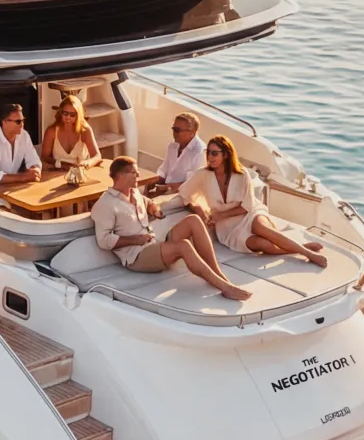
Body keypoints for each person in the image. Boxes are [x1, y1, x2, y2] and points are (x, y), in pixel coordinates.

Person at [91, 157, 251, 300]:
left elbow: (145, 201)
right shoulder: (105, 204)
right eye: (134, 172)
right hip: (136, 257)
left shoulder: (134, 193)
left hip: (153, 244)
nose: (138, 175)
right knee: (184, 246)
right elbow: (104, 241)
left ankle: (219, 274)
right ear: (121, 176)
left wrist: (152, 207)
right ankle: (224, 288)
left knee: (193, 220)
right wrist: (136, 240)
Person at [181, 134, 328, 266]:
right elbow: (185, 194)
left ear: (225, 155)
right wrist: (197, 209)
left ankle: (308, 254)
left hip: (250, 213)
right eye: (208, 153)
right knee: (264, 245)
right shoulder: (203, 174)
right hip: (228, 228)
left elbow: (247, 206)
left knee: (261, 228)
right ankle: (300, 247)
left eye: (214, 153)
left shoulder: (241, 174)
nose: (210, 157)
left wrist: (220, 215)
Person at [0, 103, 42, 208]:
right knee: (8, 213)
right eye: (18, 122)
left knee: (37, 202)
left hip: (10, 188)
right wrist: (24, 177)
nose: (22, 125)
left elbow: (34, 160)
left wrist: (35, 170)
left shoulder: (24, 136)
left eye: (23, 120)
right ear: (4, 122)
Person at [41, 93, 102, 171]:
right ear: (60, 112)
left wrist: (86, 164)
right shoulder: (51, 131)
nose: (68, 117)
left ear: (78, 115)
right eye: (65, 113)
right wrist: (60, 164)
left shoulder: (85, 130)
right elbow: (44, 157)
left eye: (72, 115)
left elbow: (97, 156)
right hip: (57, 171)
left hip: (79, 172)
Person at [148, 111, 204, 194]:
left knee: (150, 205)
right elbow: (164, 169)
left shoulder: (200, 152)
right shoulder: (173, 145)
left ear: (192, 133)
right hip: (166, 189)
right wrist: (153, 181)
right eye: (174, 129)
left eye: (177, 130)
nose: (174, 133)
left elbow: (192, 185)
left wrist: (166, 188)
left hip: (183, 195)